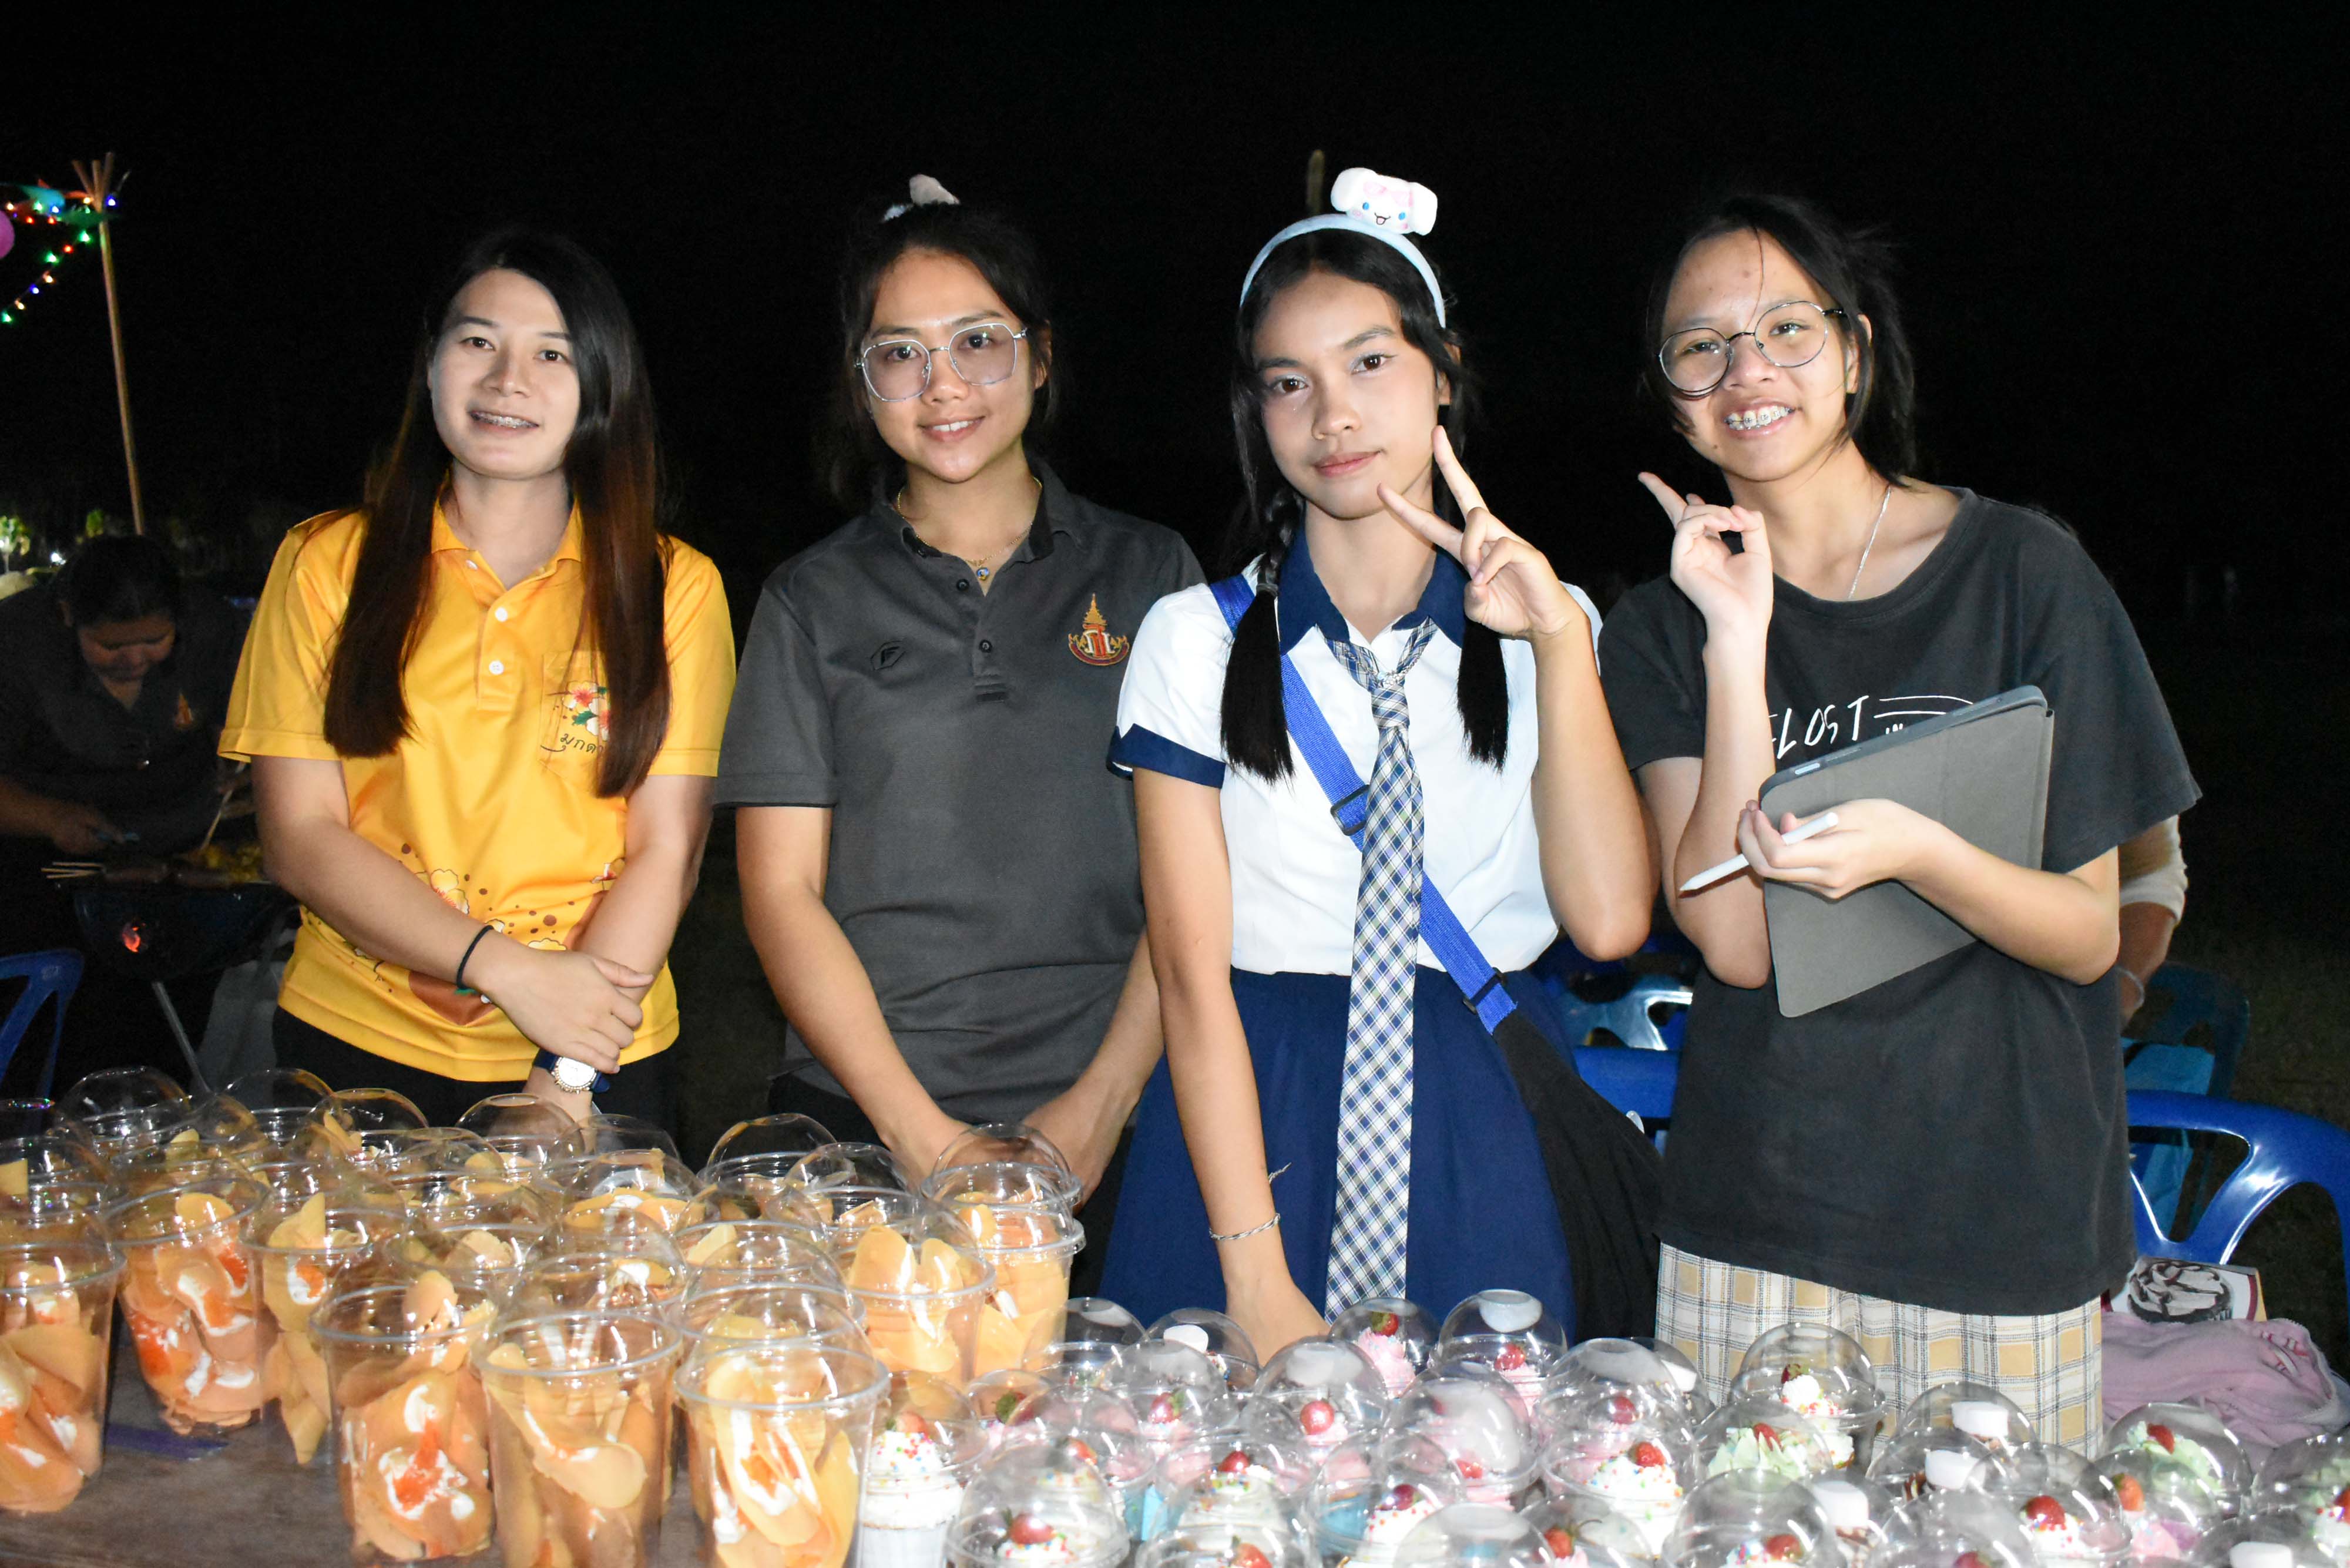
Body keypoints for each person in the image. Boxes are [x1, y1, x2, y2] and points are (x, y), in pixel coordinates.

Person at [1597, 194, 2198, 1443]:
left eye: (1786, 328)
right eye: (1701, 345)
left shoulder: (2024, 573)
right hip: (1758, 1218)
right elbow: (1735, 943)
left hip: (1999, 1218)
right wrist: (1736, 638)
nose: (1747, 368)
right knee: (1746, 1525)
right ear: (1672, 396)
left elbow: (2088, 932)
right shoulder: (1661, 626)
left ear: (1855, 349)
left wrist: (1922, 853)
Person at [1096, 171, 1653, 1354]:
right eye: (1288, 382)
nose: (1332, 416)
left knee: (1477, 1453)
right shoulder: (1191, 641)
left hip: (1477, 1112)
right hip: (1252, 1120)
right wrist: (1254, 1276)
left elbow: (1608, 923)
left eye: (1369, 363)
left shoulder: (1550, 626)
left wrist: (1558, 640)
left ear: (1443, 372)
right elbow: (1188, 977)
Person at [715, 179, 1200, 1280]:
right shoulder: (809, 599)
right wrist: (923, 1139)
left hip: (1121, 1116)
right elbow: (779, 891)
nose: (942, 385)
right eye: (900, 353)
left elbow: (1198, 872)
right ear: (862, 384)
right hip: (862, 1116)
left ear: (1041, 356)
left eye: (979, 341)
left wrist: (1100, 1105)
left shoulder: (1152, 571)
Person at [221, 229, 734, 1129]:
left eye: (552, 354)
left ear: (603, 385)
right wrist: (503, 967)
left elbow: (669, 849)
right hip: (356, 1040)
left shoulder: (672, 587)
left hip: (595, 1051)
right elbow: (299, 835)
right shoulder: (326, 563)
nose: (507, 380)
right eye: (477, 341)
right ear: (431, 366)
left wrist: (562, 1083)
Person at [0, 533, 249, 1086]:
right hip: (43, 860)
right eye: (110, 646)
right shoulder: (17, 640)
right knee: (62, 1028)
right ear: (69, 616)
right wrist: (49, 817)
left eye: (155, 641)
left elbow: (258, 717)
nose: (135, 659)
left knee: (167, 1029)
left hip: (182, 849)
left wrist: (242, 763)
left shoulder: (212, 627)